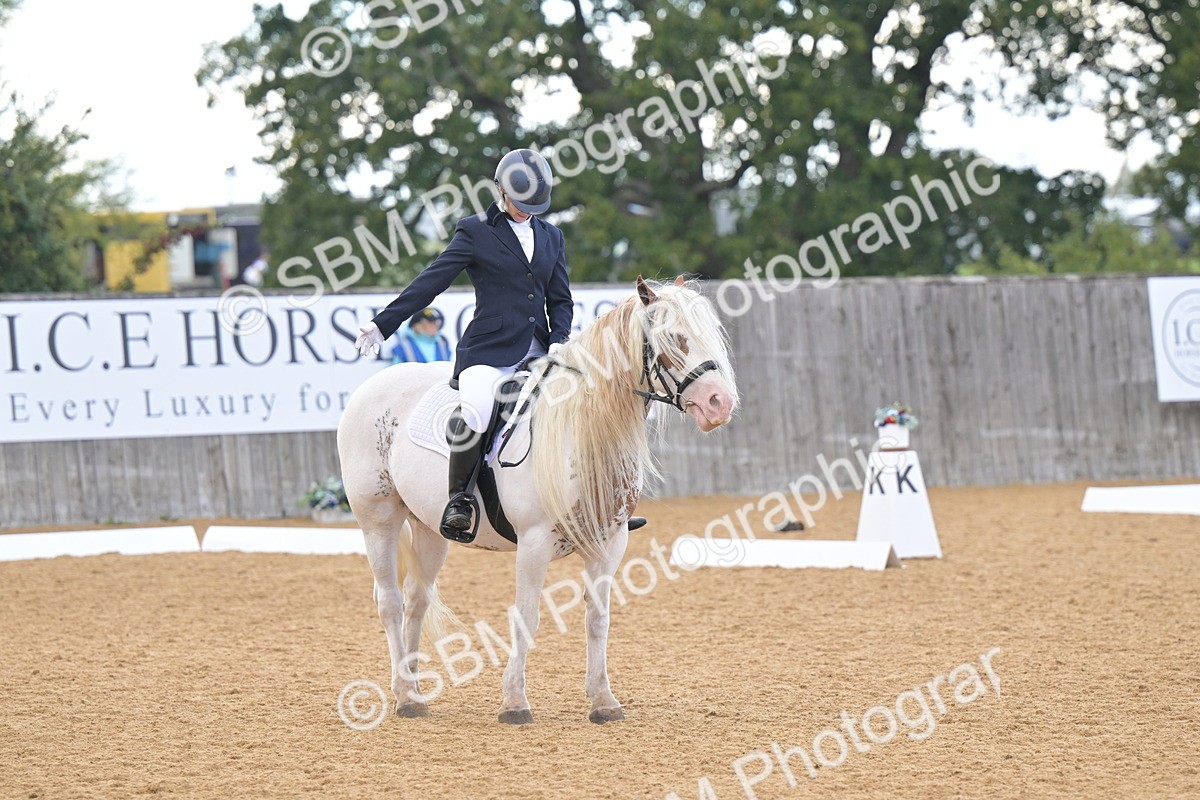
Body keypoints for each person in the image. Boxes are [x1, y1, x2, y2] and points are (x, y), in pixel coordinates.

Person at [355, 148, 572, 542]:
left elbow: (560, 299)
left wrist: (559, 340)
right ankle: (460, 500)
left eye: (534, 206)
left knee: (580, 402)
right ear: (501, 192)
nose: (527, 212)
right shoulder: (475, 231)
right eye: (521, 204)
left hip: (541, 349)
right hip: (488, 351)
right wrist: (382, 324)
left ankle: (595, 505)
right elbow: (431, 281)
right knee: (477, 408)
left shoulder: (552, 236)